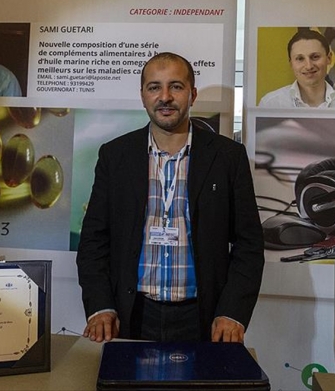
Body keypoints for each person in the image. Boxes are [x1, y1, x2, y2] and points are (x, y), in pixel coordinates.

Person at [76, 52, 264, 344]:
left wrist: (232, 312)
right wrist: (100, 306)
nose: (165, 97)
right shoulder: (115, 155)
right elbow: (93, 240)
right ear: (143, 95)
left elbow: (249, 244)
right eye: (154, 87)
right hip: (132, 314)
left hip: (204, 317)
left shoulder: (228, 157)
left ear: (192, 94)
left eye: (176, 86)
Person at [259, 29, 335, 108]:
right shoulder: (270, 104)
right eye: (300, 58)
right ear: (291, 63)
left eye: (315, 57)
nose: (309, 66)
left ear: (329, 58)